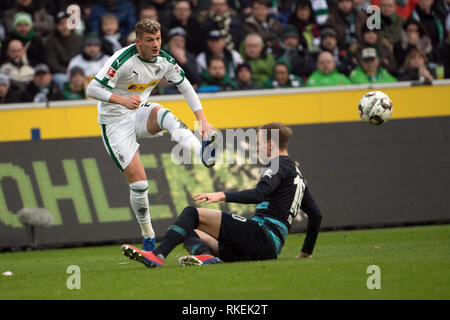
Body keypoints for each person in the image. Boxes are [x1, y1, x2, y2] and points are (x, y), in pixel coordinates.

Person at [86, 19, 217, 254]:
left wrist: (203, 120)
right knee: (140, 185)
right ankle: (148, 234)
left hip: (138, 113)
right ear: (137, 42)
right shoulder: (121, 60)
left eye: (158, 39)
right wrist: (123, 100)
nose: (156, 44)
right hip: (114, 123)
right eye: (150, 40)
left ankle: (203, 153)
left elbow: (186, 87)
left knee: (165, 114)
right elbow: (92, 89)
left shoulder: (164, 60)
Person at [121, 122, 323, 267]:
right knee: (185, 229)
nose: (257, 147)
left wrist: (222, 195)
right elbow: (315, 215)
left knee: (192, 214)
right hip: (264, 250)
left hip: (261, 237)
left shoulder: (277, 165)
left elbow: (261, 193)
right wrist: (306, 252)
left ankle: (157, 255)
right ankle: (206, 257)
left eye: (259, 143)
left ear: (271, 144)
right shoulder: (297, 174)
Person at [46, 11, 84, 91]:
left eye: (67, 23)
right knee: (61, 80)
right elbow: (53, 65)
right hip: (62, 73)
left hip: (80, 72)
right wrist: (70, 73)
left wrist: (78, 73)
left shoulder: (79, 39)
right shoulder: (51, 41)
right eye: (61, 24)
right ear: (56, 26)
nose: (65, 26)